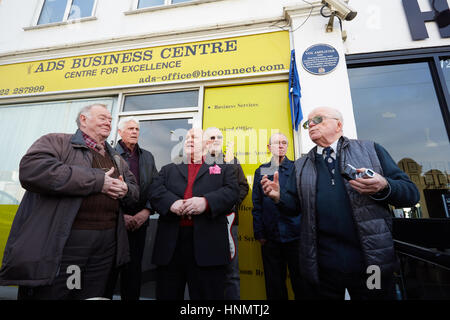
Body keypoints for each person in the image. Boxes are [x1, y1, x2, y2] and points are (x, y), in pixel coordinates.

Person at [261, 107, 420, 300]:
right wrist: (278, 198)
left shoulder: (371, 150)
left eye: (318, 119)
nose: (310, 124)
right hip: (323, 268)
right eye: (307, 123)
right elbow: (293, 207)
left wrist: (385, 186)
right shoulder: (302, 165)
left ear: (338, 124)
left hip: (372, 264)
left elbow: (411, 194)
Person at [0, 103, 139, 300]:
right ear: (84, 119)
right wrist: (98, 181)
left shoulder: (116, 158)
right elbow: (32, 171)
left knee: (94, 296)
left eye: (110, 119)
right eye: (102, 118)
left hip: (106, 245)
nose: (108, 122)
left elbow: (135, 192)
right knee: (60, 293)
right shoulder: (57, 142)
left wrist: (126, 190)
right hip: (67, 242)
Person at [149, 128, 240, 300]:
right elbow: (155, 190)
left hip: (208, 245)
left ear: (207, 143)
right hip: (171, 246)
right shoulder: (168, 169)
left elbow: (232, 192)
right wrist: (171, 203)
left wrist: (206, 202)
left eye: (194, 137)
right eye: (187, 137)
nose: (189, 139)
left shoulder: (224, 168)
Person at [104, 117, 158, 300]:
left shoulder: (147, 157)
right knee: (108, 273)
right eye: (130, 129)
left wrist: (147, 211)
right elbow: (104, 188)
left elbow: (155, 187)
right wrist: (121, 216)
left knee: (133, 273)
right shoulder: (107, 153)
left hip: (139, 224)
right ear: (120, 132)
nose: (135, 132)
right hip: (113, 224)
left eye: (137, 129)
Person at [251, 132, 303, 300]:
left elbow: (302, 202)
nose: (281, 145)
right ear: (268, 147)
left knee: (301, 283)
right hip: (270, 237)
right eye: (276, 143)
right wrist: (259, 233)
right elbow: (257, 204)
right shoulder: (261, 170)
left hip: (296, 236)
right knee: (274, 286)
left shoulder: (297, 168)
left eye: (284, 143)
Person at [203, 127, 249, 300]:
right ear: (205, 140)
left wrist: (228, 203)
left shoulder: (232, 160)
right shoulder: (197, 161)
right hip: (203, 223)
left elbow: (243, 186)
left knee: (231, 273)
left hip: (228, 223)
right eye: (212, 137)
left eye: (219, 137)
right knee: (204, 271)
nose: (216, 140)